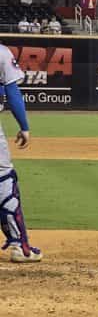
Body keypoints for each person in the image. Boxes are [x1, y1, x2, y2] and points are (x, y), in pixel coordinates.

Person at [0, 48, 42, 262]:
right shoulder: (1, 53)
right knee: (4, 180)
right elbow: (12, 91)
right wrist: (24, 126)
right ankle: (19, 245)